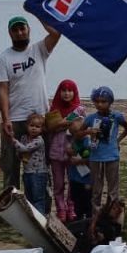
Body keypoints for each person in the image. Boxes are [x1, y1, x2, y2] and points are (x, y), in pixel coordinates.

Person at [0, 16, 61, 190]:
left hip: (40, 118)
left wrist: (38, 12)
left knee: (42, 163)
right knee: (11, 166)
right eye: (15, 30)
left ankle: (41, 203)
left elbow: (56, 33)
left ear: (28, 29)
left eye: (22, 28)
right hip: (15, 118)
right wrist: (5, 119)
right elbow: (2, 90)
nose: (19, 33)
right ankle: (12, 203)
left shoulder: (39, 49)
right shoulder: (3, 58)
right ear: (10, 33)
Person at [79, 86, 127, 226]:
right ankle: (95, 218)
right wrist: (89, 132)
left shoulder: (117, 116)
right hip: (95, 157)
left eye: (104, 101)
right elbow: (78, 133)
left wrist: (117, 141)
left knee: (113, 189)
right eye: (97, 101)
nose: (100, 104)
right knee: (96, 189)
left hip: (112, 157)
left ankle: (113, 218)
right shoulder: (90, 118)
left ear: (110, 102)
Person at [46, 80, 85, 221]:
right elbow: (50, 128)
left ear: (74, 92)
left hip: (72, 151)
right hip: (56, 151)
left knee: (73, 181)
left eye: (69, 90)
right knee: (58, 183)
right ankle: (61, 209)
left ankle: (71, 207)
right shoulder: (53, 109)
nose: (66, 93)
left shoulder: (79, 109)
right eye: (63, 90)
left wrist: (61, 123)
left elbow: (78, 126)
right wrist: (61, 124)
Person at [14, 112, 50, 214]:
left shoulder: (39, 140)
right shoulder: (24, 138)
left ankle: (40, 219)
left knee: (38, 198)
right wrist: (19, 153)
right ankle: (31, 218)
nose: (34, 128)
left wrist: (13, 140)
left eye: (37, 127)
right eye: (32, 125)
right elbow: (20, 152)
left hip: (38, 173)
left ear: (41, 129)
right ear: (27, 126)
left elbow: (25, 149)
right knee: (29, 198)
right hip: (27, 172)